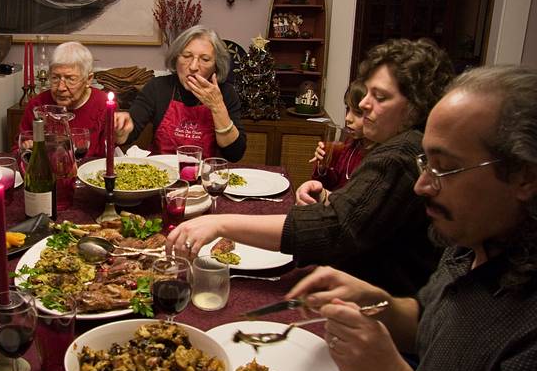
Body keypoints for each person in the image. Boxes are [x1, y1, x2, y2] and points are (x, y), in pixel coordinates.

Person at [286, 65, 537, 371]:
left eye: (446, 169)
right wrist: (374, 301)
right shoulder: (469, 241)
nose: (421, 186)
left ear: (524, 177)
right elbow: (428, 325)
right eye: (425, 163)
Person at [169, 38, 455, 295]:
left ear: (416, 106)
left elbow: (334, 231)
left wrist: (221, 224)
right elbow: (367, 216)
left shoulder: (400, 153)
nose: (364, 104)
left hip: (382, 305)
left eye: (379, 97)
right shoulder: (399, 144)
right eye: (366, 93)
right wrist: (332, 198)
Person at [113, 25, 247, 162]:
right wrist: (120, 129)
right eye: (187, 56)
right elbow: (127, 135)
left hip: (205, 178)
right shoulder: (158, 87)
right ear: (175, 59)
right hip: (161, 175)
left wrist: (217, 107)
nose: (193, 67)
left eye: (205, 59)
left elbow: (235, 154)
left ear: (216, 66)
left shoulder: (226, 93)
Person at [18, 41, 109, 156]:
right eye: (55, 78)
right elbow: (18, 148)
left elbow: (109, 153)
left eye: (70, 79)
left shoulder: (103, 103)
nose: (61, 88)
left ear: (88, 79)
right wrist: (27, 148)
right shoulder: (38, 104)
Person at [297, 79, 375, 204]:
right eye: (348, 109)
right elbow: (328, 186)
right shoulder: (351, 144)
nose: (348, 118)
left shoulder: (377, 157)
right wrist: (323, 166)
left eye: (358, 112)